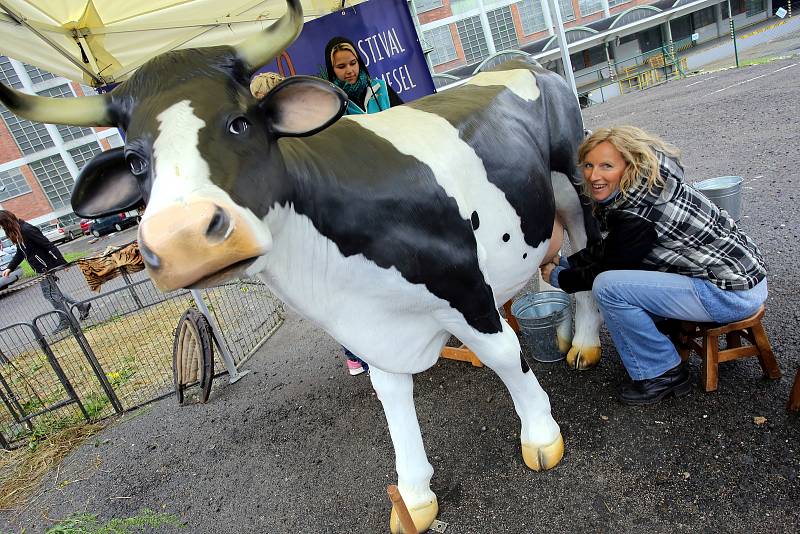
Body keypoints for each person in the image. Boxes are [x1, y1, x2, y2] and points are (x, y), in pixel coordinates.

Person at [540, 126, 767, 405]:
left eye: (606, 166)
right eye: (588, 165)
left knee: (609, 287)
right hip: (739, 279)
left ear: (629, 163)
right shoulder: (647, 185)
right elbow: (612, 249)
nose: (593, 175)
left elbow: (610, 265)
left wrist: (561, 279)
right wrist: (568, 262)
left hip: (727, 294)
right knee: (624, 277)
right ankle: (663, 333)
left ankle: (662, 373)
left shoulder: (637, 213)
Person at [0, 210, 91, 332]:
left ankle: (66, 320)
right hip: (40, 268)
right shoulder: (19, 232)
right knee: (54, 294)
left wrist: (62, 263)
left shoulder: (27, 229)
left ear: (7, 222)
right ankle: (81, 306)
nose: (2, 228)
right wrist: (9, 268)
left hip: (45, 268)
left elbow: (48, 245)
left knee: (50, 295)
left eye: (2, 225)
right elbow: (20, 253)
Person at [323, 36, 403, 115]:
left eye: (353, 63)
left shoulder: (381, 87)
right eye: (341, 66)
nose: (349, 71)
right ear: (332, 70)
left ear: (359, 62)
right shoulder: (333, 105)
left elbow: (405, 121)